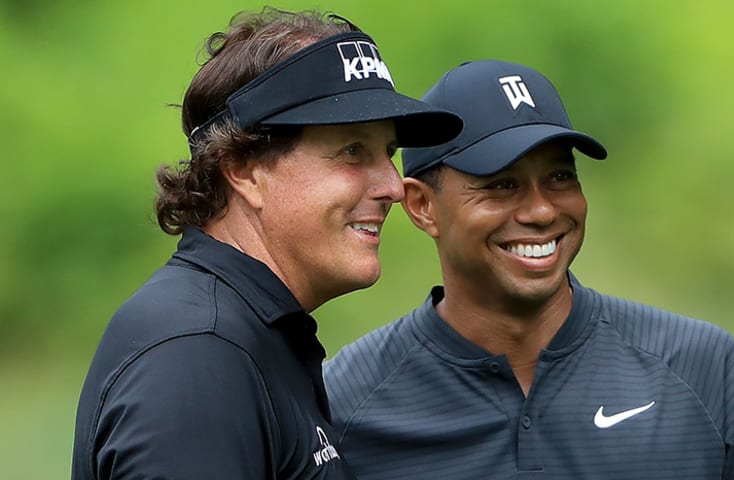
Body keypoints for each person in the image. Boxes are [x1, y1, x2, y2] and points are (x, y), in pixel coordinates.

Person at [324, 59, 734, 479]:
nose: (541, 210)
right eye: (502, 184)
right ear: (423, 206)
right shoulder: (343, 403)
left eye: (559, 177)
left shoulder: (703, 368)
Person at [71, 8, 462, 480]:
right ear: (243, 168)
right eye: (352, 151)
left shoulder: (245, 334)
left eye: (389, 153)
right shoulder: (197, 357)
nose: (394, 187)